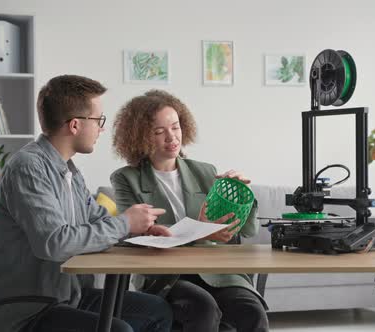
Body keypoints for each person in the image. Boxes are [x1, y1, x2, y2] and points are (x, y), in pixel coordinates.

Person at [0, 75, 173, 332]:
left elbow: (98, 222)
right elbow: (54, 243)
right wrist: (125, 222)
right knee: (120, 330)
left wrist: (134, 231)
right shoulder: (28, 168)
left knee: (157, 311)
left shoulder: (70, 172)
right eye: (98, 120)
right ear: (74, 125)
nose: (102, 129)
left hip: (70, 297)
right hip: (29, 309)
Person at [110, 90, 269, 332]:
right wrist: (201, 232)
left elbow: (248, 229)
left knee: (251, 311)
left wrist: (244, 194)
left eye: (175, 127)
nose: (171, 137)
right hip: (166, 276)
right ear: (140, 136)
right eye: (158, 131)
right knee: (203, 308)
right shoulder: (125, 179)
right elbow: (134, 237)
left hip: (216, 271)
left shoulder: (205, 172)